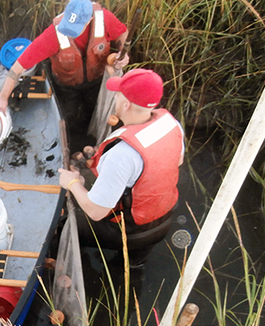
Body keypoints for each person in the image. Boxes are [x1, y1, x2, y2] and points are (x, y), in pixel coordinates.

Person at [58, 68, 184, 264]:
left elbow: (96, 211)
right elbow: (178, 161)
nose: (113, 98)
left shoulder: (122, 154)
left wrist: (73, 182)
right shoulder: (172, 124)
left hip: (127, 232)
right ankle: (132, 268)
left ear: (126, 104)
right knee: (131, 266)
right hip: (163, 222)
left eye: (116, 95)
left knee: (62, 227)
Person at [0, 0, 129, 136]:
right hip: (66, 86)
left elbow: (122, 33)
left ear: (90, 20)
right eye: (68, 26)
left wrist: (122, 52)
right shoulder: (52, 35)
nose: (69, 33)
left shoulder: (104, 19)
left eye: (75, 28)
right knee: (67, 118)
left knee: (92, 111)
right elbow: (18, 67)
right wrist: (3, 97)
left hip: (96, 82)